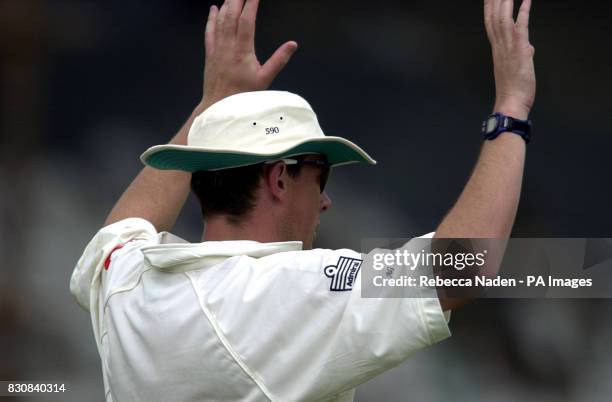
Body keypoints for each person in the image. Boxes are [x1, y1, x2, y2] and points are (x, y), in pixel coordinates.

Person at [70, 0, 535, 400]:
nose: (326, 201)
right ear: (277, 179)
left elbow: (118, 232)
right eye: (321, 176)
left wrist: (215, 103)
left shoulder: (130, 284)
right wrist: (511, 113)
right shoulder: (287, 291)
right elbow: (462, 266)